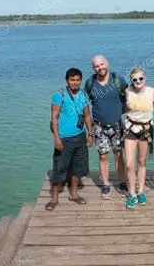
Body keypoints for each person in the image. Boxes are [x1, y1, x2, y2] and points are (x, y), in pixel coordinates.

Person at [46, 67, 93, 211]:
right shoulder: (59, 95)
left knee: (77, 168)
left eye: (78, 80)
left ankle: (74, 194)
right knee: (59, 168)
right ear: (67, 81)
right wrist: (57, 139)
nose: (75, 82)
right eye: (72, 80)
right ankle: (54, 198)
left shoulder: (83, 94)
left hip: (79, 137)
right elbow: (54, 118)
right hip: (64, 139)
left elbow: (86, 115)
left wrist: (90, 133)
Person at [84, 55, 128, 199]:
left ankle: (122, 182)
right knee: (103, 156)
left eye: (102, 64)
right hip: (99, 126)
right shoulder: (90, 83)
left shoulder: (118, 80)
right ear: (93, 68)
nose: (100, 67)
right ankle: (106, 185)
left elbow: (130, 95)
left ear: (107, 64)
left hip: (117, 125)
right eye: (97, 66)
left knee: (118, 155)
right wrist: (89, 131)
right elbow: (85, 105)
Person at [123, 67, 154, 209]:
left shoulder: (153, 92)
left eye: (140, 78)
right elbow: (124, 107)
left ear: (145, 78)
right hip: (130, 129)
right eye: (135, 79)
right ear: (131, 81)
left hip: (145, 130)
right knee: (129, 164)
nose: (138, 81)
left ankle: (141, 191)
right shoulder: (127, 92)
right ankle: (131, 194)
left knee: (142, 162)